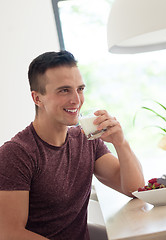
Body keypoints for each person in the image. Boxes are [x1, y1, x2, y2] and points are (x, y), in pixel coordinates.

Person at [0, 50, 145, 239]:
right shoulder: (16, 154)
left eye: (80, 89)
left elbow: (135, 189)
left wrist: (121, 142)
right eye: (64, 90)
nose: (76, 100)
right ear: (37, 98)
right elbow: (9, 233)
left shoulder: (86, 139)